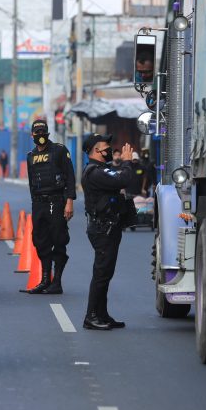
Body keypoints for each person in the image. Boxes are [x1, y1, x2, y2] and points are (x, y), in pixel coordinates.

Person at [81, 134, 135, 330]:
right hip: (102, 229)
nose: (110, 150)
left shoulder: (103, 169)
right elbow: (124, 179)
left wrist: (124, 165)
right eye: (106, 147)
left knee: (106, 273)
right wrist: (127, 162)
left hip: (108, 227)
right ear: (96, 150)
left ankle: (102, 315)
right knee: (101, 273)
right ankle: (92, 316)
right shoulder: (94, 172)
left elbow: (119, 176)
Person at [20, 119, 76, 294]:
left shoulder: (59, 150)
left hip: (56, 202)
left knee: (58, 240)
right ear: (32, 135)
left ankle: (56, 282)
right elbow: (31, 183)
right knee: (40, 240)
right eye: (37, 132)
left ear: (47, 132)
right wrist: (34, 204)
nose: (40, 135)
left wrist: (69, 202)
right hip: (38, 203)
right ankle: (45, 279)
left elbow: (70, 177)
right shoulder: (30, 156)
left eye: (43, 131)